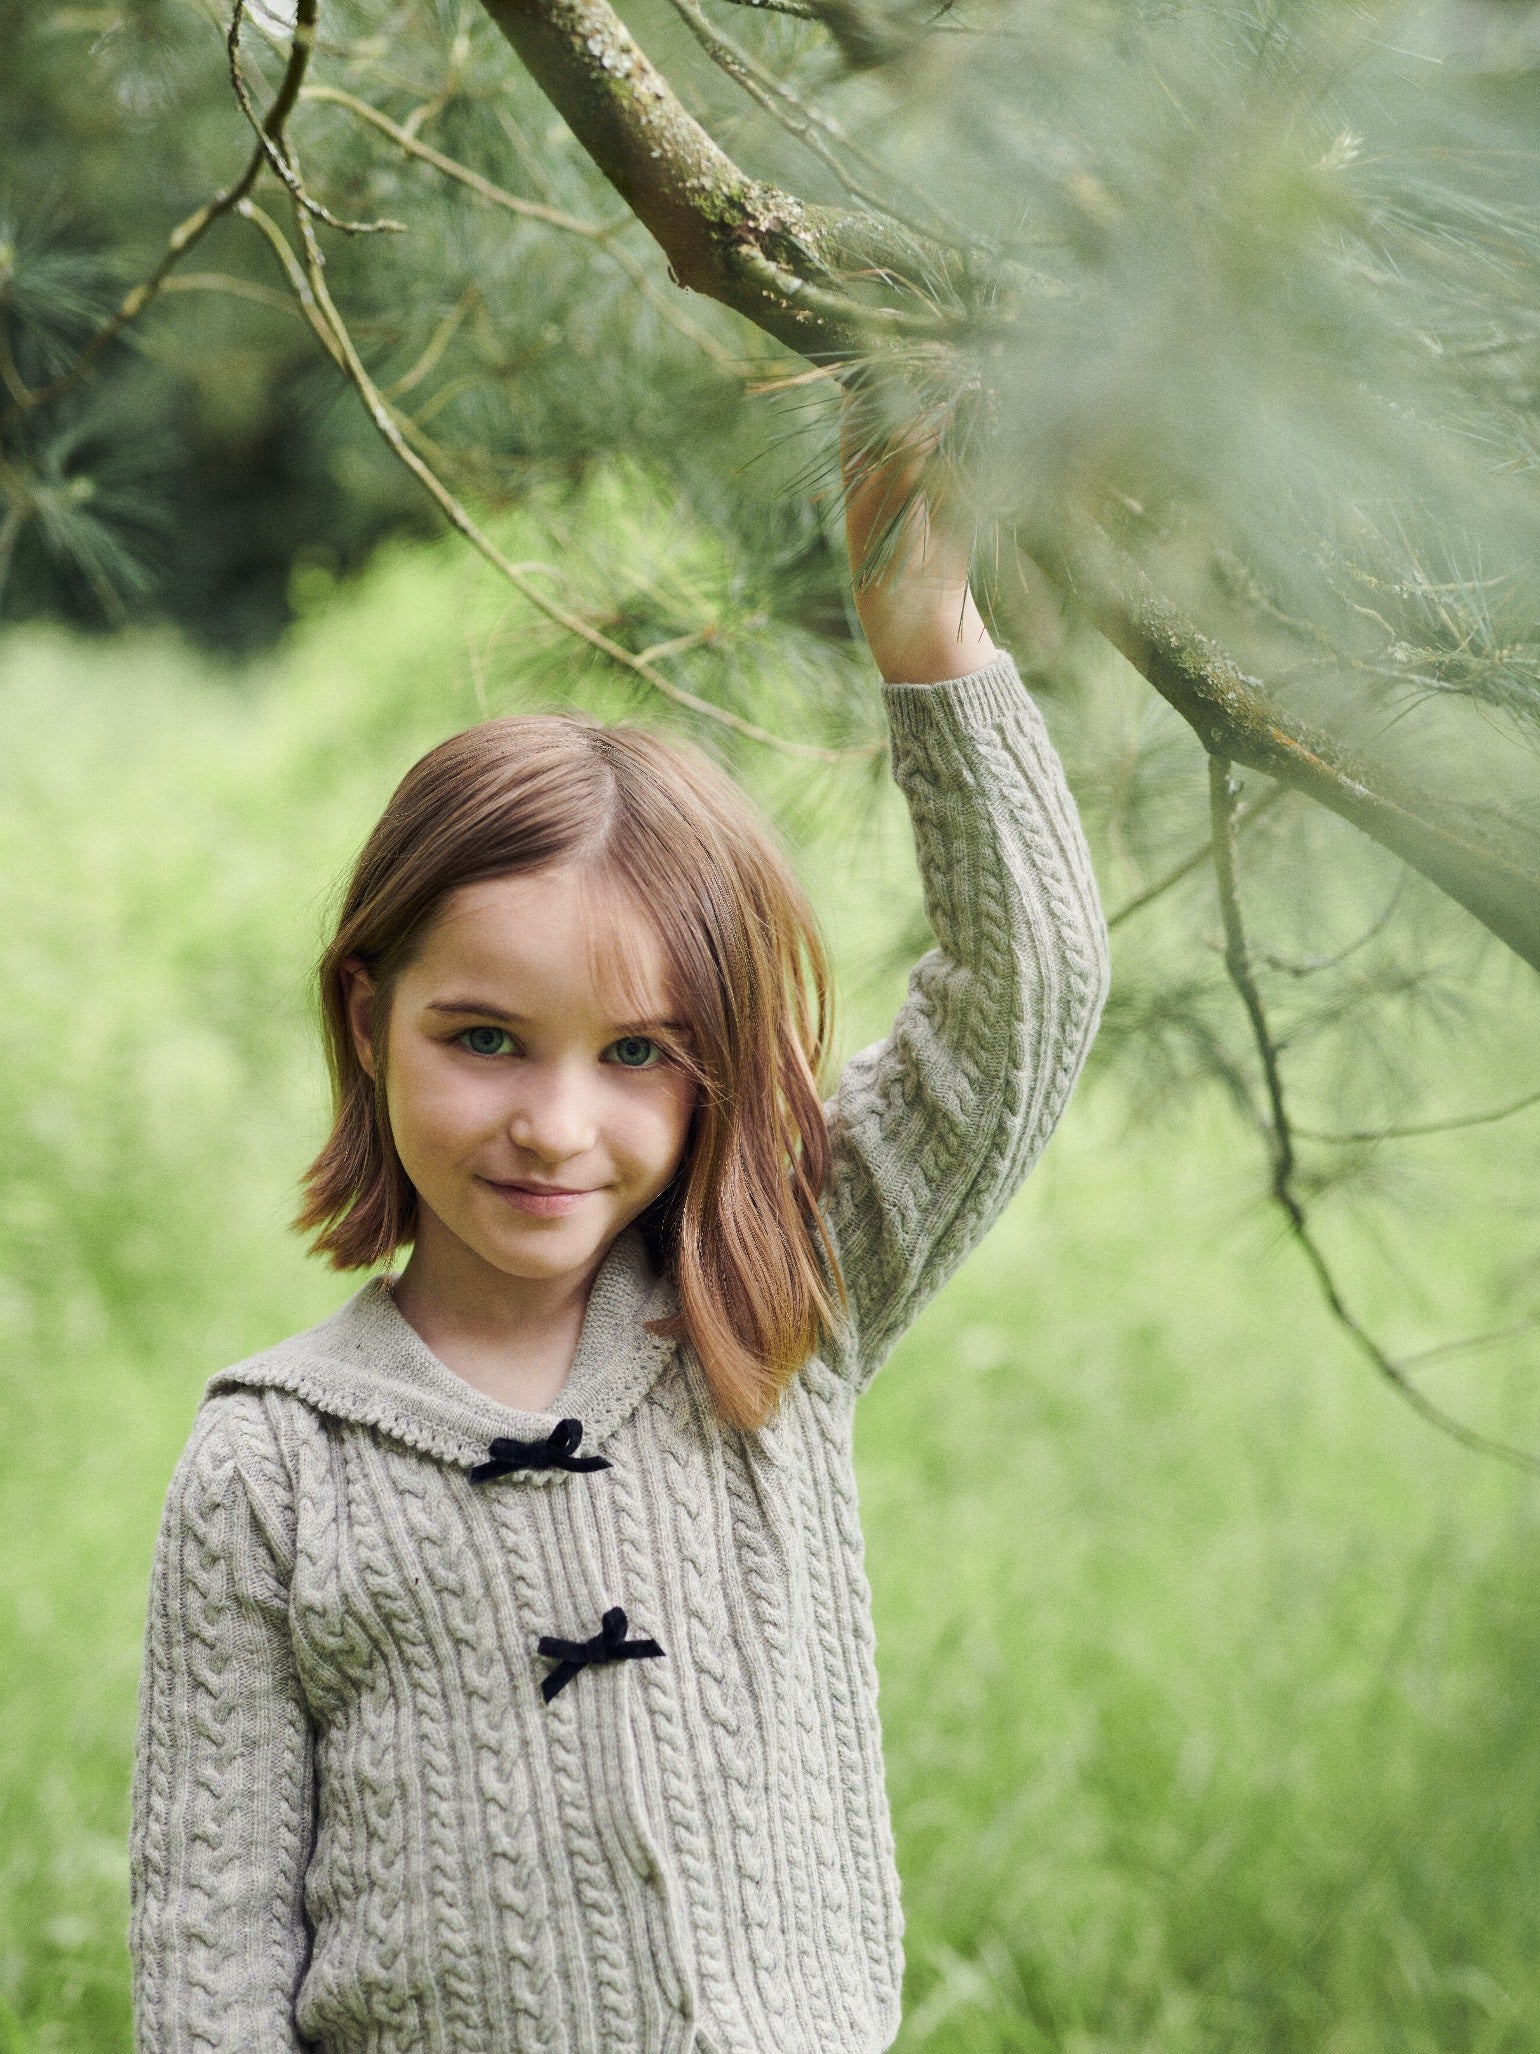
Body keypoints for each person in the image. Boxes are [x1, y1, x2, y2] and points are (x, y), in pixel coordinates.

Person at [127, 432, 1110, 2054]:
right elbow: (208, 1970)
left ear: (712, 1060)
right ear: (370, 1021)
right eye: (487, 1038)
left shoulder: (783, 1302)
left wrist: (930, 635)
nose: (556, 1126)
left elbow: (1031, 1002)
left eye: (637, 1052)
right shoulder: (272, 1465)